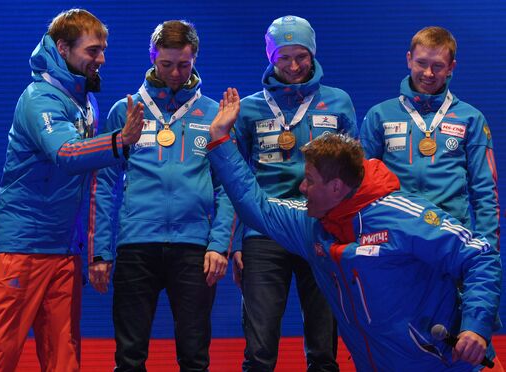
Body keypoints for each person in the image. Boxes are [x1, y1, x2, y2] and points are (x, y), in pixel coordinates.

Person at [204, 87, 501, 371]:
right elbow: (257, 207)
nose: (301, 188)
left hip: (441, 365)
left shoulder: (405, 217)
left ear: (335, 187)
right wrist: (219, 139)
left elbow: (481, 257)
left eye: (309, 180)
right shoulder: (312, 224)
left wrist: (475, 327)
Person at [0, 8, 145, 372]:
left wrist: (91, 246)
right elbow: (65, 153)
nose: (102, 59)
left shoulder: (84, 101)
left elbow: (90, 175)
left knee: (64, 358)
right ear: (63, 48)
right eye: (93, 50)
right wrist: (121, 140)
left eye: (103, 50)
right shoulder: (39, 98)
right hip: (23, 247)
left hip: (64, 249)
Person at [89, 20, 237, 372]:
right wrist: (100, 252)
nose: (174, 73)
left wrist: (219, 244)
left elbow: (229, 187)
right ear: (152, 57)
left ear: (195, 58)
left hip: (194, 248)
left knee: (194, 357)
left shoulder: (214, 113)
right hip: (136, 246)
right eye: (166, 64)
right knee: (129, 357)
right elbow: (104, 185)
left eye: (184, 65)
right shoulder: (125, 112)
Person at [231, 15, 357, 371]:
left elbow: (353, 177)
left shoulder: (338, 102)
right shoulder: (250, 108)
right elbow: (235, 182)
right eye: (283, 57)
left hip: (320, 228)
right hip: (264, 231)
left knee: (323, 348)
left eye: (301, 55)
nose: (294, 65)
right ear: (270, 57)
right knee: (259, 349)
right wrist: (236, 242)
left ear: (313, 53)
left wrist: (349, 233)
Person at [360, 26, 499, 251]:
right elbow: (360, 183)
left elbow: (484, 191)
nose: (428, 73)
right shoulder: (380, 115)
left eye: (438, 66)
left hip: (452, 237)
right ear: (409, 59)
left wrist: (487, 250)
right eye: (421, 63)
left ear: (451, 68)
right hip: (394, 236)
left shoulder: (471, 118)